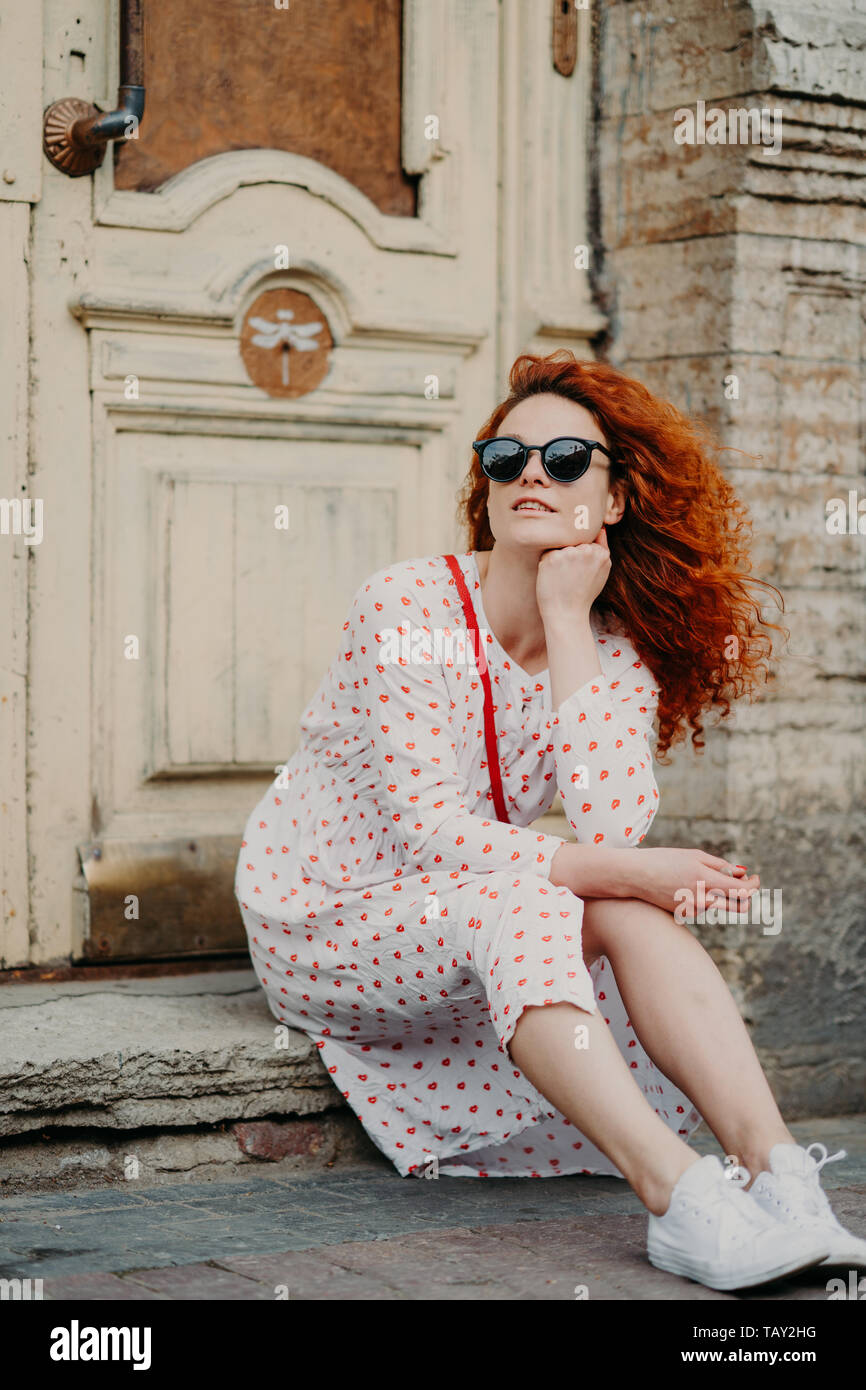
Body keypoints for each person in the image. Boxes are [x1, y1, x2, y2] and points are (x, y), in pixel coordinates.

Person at [235, 349, 866, 1292]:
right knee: (549, 903)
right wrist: (628, 870)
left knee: (626, 910)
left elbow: (610, 830)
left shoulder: (612, 651)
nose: (533, 473)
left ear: (614, 501)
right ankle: (682, 1201)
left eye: (569, 459)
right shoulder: (405, 604)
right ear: (485, 488)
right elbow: (430, 834)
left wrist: (569, 625)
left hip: (466, 906)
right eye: (507, 458)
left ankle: (781, 1182)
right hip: (331, 911)